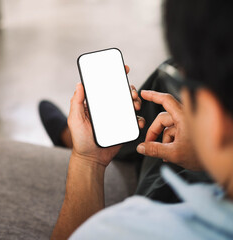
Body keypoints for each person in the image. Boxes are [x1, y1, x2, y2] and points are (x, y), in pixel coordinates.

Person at [39, 0, 233, 239]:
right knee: (165, 88)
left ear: (214, 118)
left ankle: (81, 141)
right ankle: (114, 139)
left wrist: (87, 160)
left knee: (163, 98)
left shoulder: (125, 229)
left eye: (180, 81)